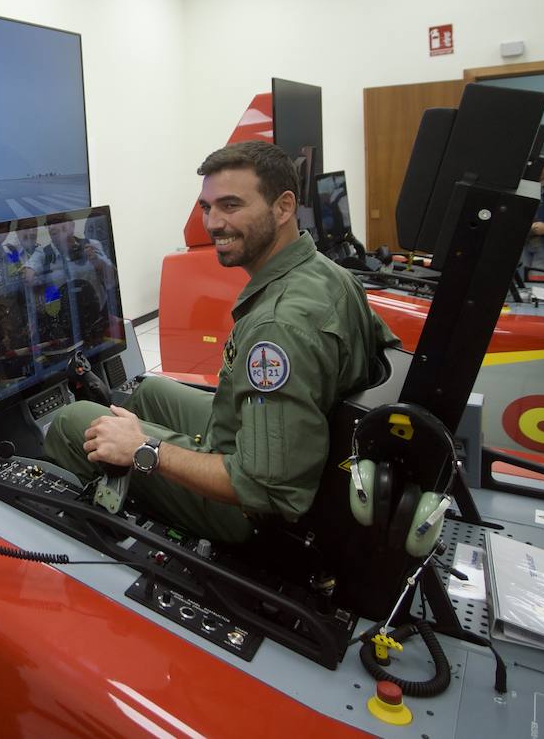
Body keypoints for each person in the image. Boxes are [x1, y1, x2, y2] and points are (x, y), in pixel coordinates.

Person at [44, 141, 398, 543]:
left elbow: (266, 490)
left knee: (74, 421)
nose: (213, 223)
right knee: (150, 390)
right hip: (287, 444)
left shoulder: (279, 325)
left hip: (254, 513)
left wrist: (145, 448)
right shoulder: (330, 274)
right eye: (207, 208)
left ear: (283, 208)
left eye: (231, 206)